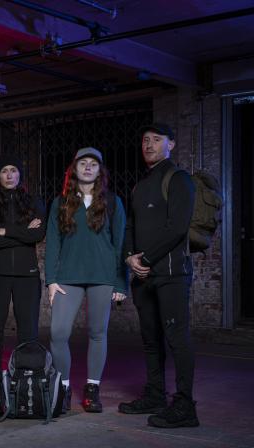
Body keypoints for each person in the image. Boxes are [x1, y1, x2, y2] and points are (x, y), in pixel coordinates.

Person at [119, 123, 199, 428]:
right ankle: (155, 395)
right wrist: (130, 256)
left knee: (177, 338)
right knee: (151, 339)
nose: (149, 144)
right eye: (145, 140)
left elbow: (177, 228)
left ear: (171, 144)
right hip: (143, 277)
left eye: (156, 139)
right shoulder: (140, 186)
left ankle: (185, 406)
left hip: (171, 275)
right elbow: (130, 225)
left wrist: (147, 259)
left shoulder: (178, 179)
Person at [45, 147, 127, 413]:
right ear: (74, 169)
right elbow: (53, 243)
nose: (88, 167)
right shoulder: (60, 203)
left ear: (100, 170)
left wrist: (121, 282)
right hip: (67, 277)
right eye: (83, 163)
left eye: (93, 163)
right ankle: (64, 388)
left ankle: (92, 389)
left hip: (103, 276)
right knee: (58, 333)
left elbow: (120, 244)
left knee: (97, 333)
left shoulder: (112, 202)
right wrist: (51, 280)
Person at [0, 153, 46, 367]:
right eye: (4, 171)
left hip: (27, 276)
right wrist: (24, 231)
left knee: (28, 333)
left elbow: (37, 235)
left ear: (20, 175)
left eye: (13, 170)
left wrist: (5, 231)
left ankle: (25, 381)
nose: (9, 175)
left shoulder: (34, 203)